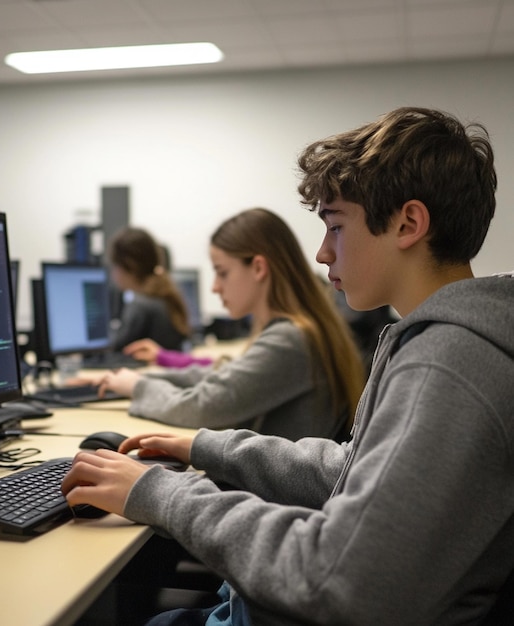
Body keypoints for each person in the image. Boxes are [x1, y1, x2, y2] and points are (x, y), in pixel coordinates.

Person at [61, 107, 514, 625]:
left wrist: (161, 492)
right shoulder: (438, 341)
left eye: (336, 227)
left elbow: (341, 580)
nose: (322, 253)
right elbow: (351, 472)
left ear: (408, 223)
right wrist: (206, 446)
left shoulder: (450, 362)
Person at [88, 207, 365, 441]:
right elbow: (222, 377)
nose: (215, 288)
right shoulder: (297, 329)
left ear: (258, 268)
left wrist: (138, 387)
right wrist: (137, 378)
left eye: (222, 273)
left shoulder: (290, 339)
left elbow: (204, 407)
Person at [107, 226, 190, 351]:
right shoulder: (165, 295)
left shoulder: (140, 305)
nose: (113, 273)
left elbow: (116, 348)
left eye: (114, 265)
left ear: (129, 265)